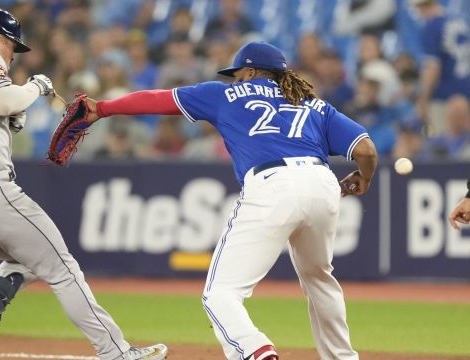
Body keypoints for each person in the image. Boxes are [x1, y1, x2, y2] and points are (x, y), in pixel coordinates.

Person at [83, 41, 378, 360]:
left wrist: (102, 108)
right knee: (319, 277)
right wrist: (364, 176)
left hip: (272, 184)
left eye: (237, 74)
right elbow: (366, 150)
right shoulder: (313, 104)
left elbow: (157, 100)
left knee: (220, 294)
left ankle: (255, 350)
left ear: (251, 71)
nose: (234, 80)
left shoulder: (222, 94)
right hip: (323, 183)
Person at [0, 7, 167, 360]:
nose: (13, 54)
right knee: (63, 269)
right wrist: (35, 86)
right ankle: (116, 352)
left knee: (33, 259)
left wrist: (7, 117)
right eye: (12, 45)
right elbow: (3, 100)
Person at [411, 0, 470, 135]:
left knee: (443, 148)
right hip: (466, 96)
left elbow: (432, 68)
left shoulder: (431, 27)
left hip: (444, 100)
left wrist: (423, 100)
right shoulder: (460, 22)